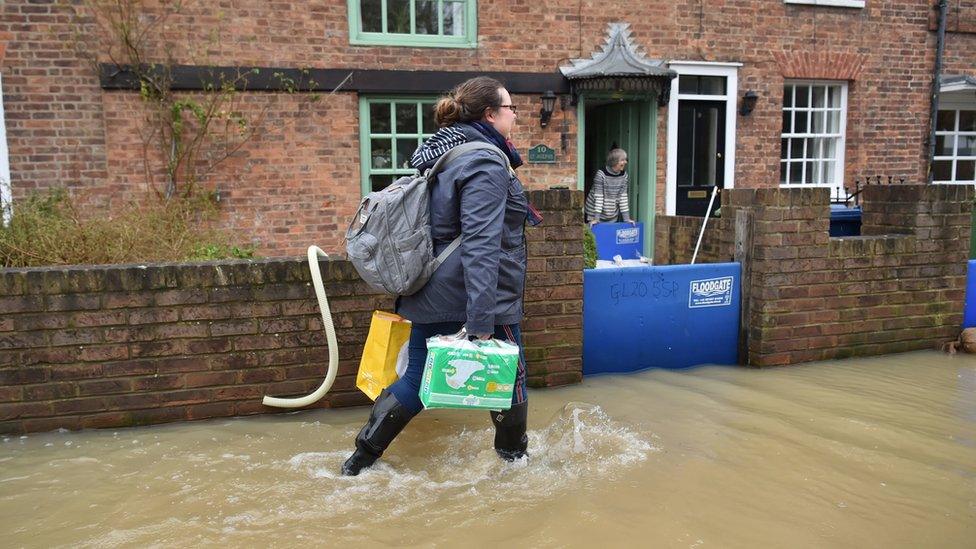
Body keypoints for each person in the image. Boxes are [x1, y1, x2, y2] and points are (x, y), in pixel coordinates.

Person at [342, 76, 538, 476]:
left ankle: (358, 463)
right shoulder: (484, 161)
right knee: (511, 379)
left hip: (434, 290)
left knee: (416, 378)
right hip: (473, 295)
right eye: (510, 108)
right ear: (490, 114)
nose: (515, 116)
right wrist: (483, 318)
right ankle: (515, 466)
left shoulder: (447, 151)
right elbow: (483, 243)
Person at [585, 148, 635, 226]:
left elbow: (623, 198)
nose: (625, 162)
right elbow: (599, 197)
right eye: (622, 160)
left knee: (608, 236)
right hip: (594, 212)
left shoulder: (624, 175)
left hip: (611, 213)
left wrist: (626, 219)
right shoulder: (601, 174)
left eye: (625, 160)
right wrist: (596, 219)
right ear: (614, 161)